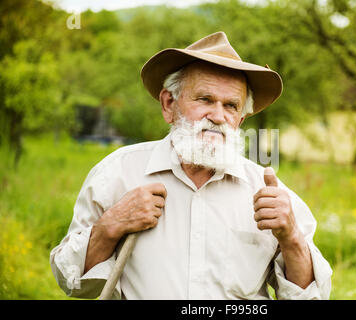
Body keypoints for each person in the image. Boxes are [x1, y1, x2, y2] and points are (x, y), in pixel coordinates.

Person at [50, 31, 332, 300]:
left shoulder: (264, 189)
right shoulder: (118, 173)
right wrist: (111, 225)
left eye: (231, 106)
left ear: (240, 120)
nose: (218, 116)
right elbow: (70, 281)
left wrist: (292, 238)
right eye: (205, 99)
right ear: (168, 103)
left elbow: (312, 296)